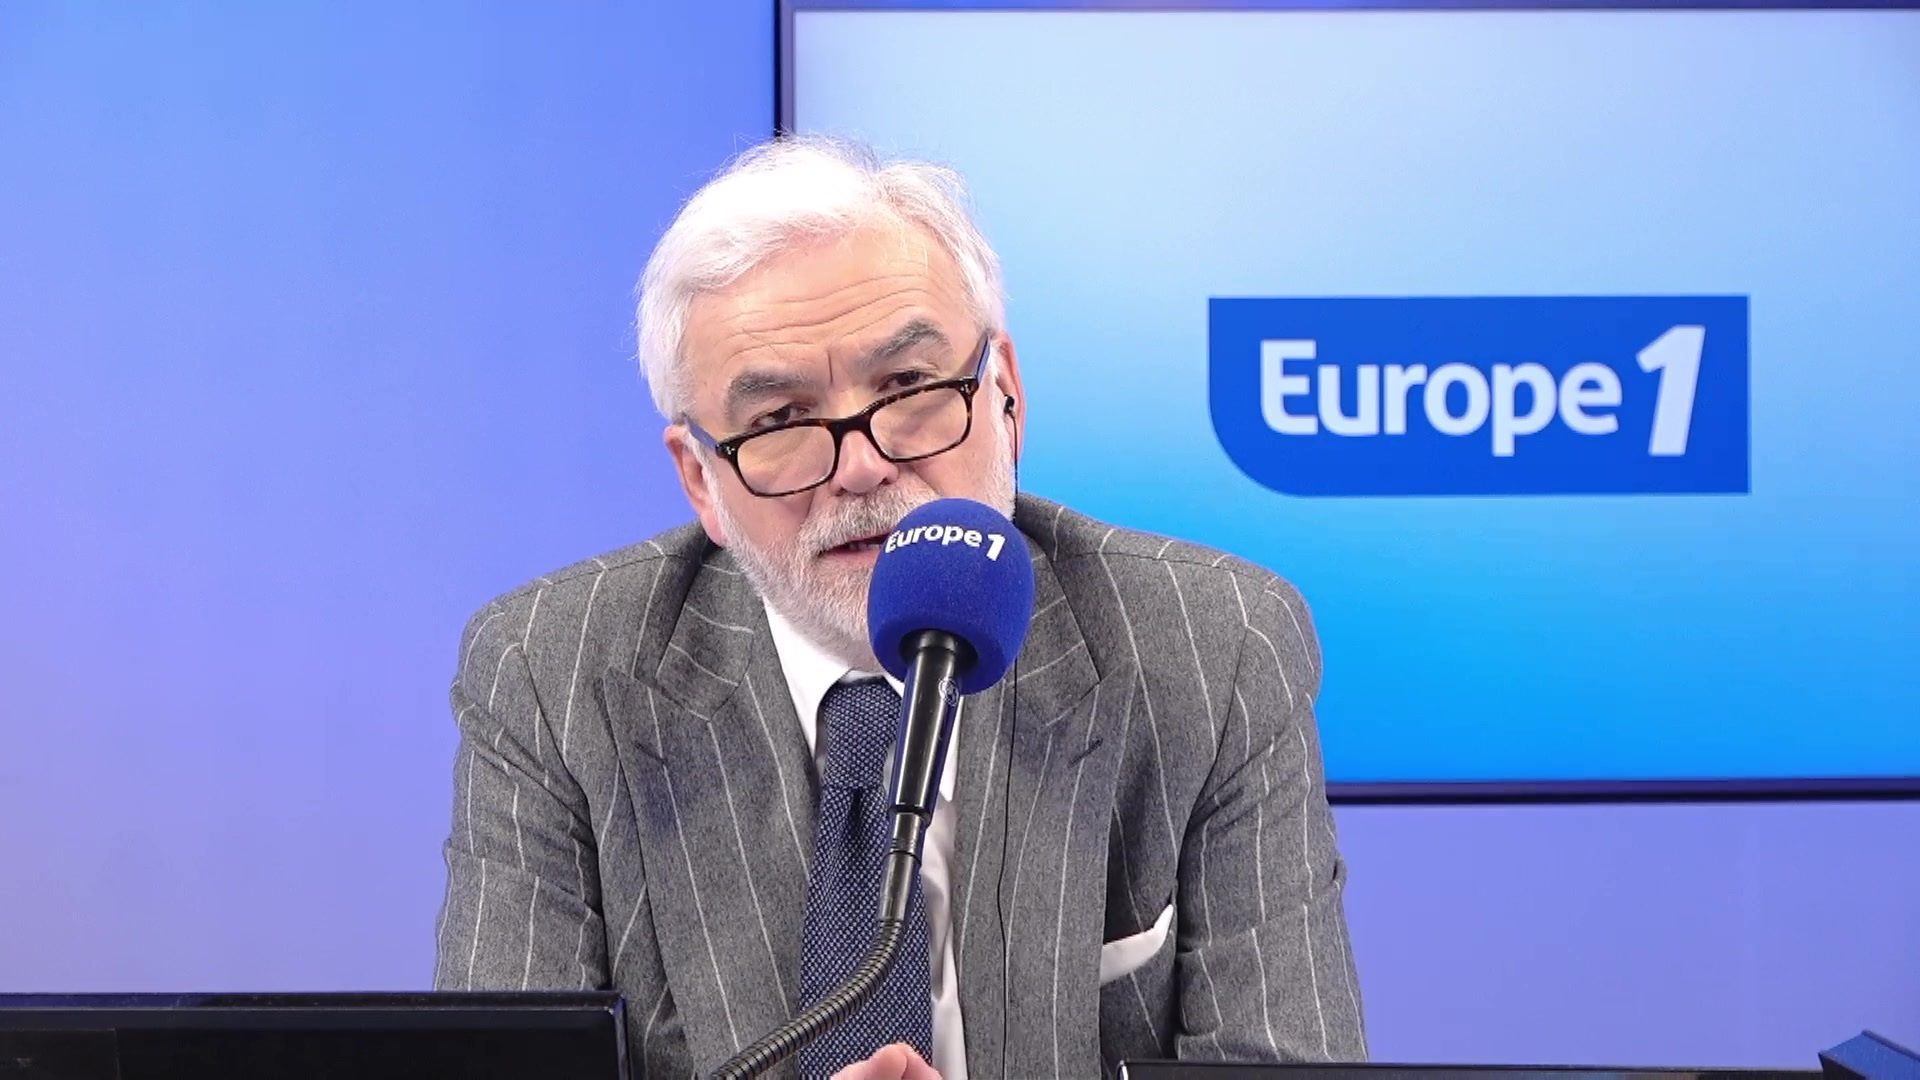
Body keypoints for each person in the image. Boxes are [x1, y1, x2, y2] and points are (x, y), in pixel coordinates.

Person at [434, 137, 1366, 1080]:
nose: (862, 465)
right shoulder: (554, 678)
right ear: (701, 481)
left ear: (1005, 399)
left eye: (910, 387)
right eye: (781, 421)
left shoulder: (1212, 651)